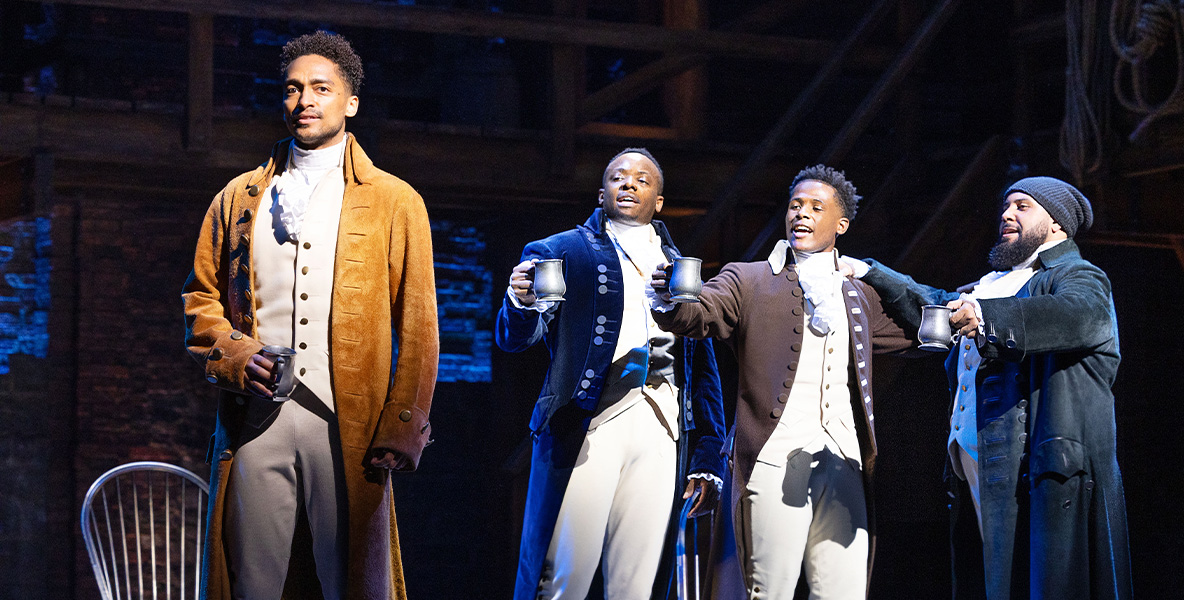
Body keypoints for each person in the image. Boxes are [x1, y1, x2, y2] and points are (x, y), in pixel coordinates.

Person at [182, 31, 438, 600]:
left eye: (321, 88)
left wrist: (404, 421)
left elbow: (419, 325)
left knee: (353, 579)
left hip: (348, 423)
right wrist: (237, 356)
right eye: (294, 89)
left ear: (351, 102)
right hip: (256, 421)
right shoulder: (238, 197)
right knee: (252, 581)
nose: (305, 101)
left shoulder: (395, 201)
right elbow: (200, 299)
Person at [853, 176, 1132, 599]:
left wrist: (985, 316)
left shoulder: (1077, 275)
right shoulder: (989, 285)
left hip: (1036, 461)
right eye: (1006, 206)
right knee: (992, 581)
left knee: (1038, 582)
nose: (1007, 214)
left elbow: (1082, 314)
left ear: (1057, 223)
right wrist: (868, 271)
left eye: (1023, 206)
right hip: (975, 458)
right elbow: (936, 303)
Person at [651, 165, 916, 600]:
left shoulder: (859, 293)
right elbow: (700, 312)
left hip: (843, 459)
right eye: (795, 205)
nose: (801, 214)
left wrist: (884, 277)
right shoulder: (749, 279)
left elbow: (921, 327)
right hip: (774, 457)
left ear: (841, 225)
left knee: (845, 592)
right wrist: (672, 297)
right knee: (769, 589)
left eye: (815, 207)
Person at [495, 148, 725, 600]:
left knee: (637, 580)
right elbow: (516, 339)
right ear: (601, 194)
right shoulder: (561, 250)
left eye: (642, 179)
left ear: (659, 201)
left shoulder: (680, 267)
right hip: (589, 423)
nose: (629, 183)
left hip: (662, 426)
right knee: (565, 573)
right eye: (618, 177)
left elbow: (703, 365)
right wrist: (520, 302)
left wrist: (709, 451)